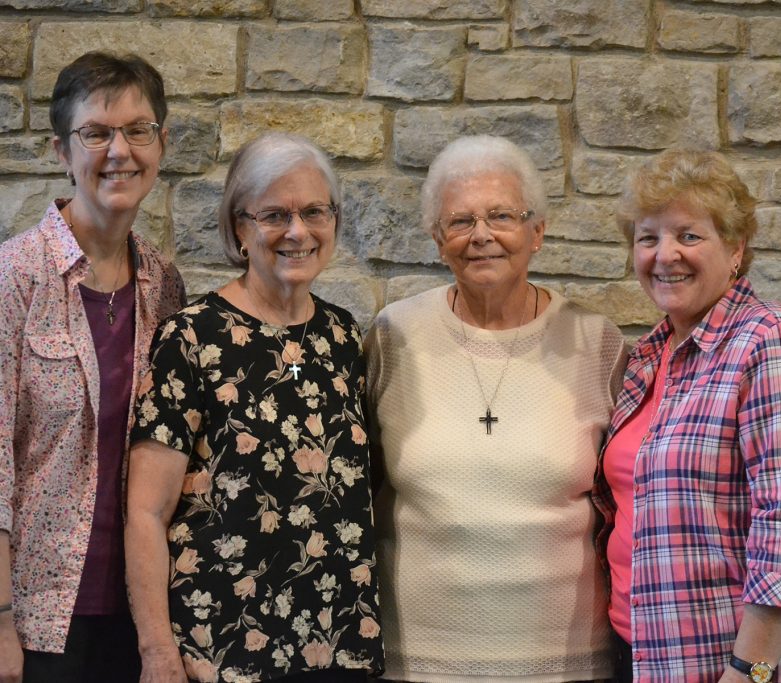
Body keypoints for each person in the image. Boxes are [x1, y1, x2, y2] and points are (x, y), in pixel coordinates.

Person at [365, 134, 626, 682]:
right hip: (417, 661)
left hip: (566, 662)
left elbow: (627, 498)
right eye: (460, 222)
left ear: (538, 232)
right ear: (438, 239)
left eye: (501, 216)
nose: (481, 235)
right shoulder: (394, 336)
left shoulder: (595, 341)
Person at [125, 132, 384, 683]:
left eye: (315, 211)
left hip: (337, 643)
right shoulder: (192, 338)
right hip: (222, 652)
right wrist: (157, 653)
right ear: (240, 228)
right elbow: (145, 513)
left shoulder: (341, 335)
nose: (298, 231)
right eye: (274, 214)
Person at [593, 148, 781, 683]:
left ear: (735, 249)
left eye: (689, 235)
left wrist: (746, 670)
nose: (665, 255)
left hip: (738, 664)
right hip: (644, 652)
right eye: (648, 238)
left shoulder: (771, 341)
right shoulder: (649, 355)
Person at [0, 51, 185, 682]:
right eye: (96, 133)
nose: (119, 151)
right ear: (61, 150)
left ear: (161, 142)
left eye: (137, 130)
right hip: (35, 613)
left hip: (139, 608)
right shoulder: (15, 277)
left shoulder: (164, 284)